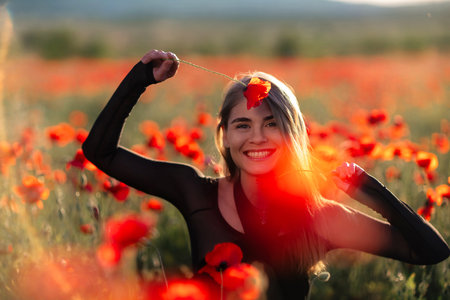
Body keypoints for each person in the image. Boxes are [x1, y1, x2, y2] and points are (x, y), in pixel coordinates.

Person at [82, 49, 449, 299]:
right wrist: (140, 78)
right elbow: (100, 151)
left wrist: (369, 190)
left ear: (293, 134)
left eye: (271, 124)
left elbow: (431, 252)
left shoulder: (320, 217)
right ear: (225, 135)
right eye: (243, 125)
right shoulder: (195, 191)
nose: (257, 137)